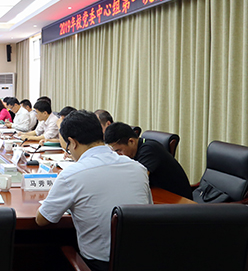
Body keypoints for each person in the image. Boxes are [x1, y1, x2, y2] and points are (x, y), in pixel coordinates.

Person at [36, 110, 152, 271]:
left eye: (68, 148)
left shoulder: (71, 175)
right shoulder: (138, 168)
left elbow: (42, 220)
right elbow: (147, 209)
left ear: (73, 142)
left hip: (99, 264)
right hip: (143, 260)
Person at [104, 122, 193, 200]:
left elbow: (137, 179)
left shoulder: (149, 149)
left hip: (178, 200)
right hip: (158, 194)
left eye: (118, 150)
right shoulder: (133, 151)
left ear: (131, 141)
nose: (117, 155)